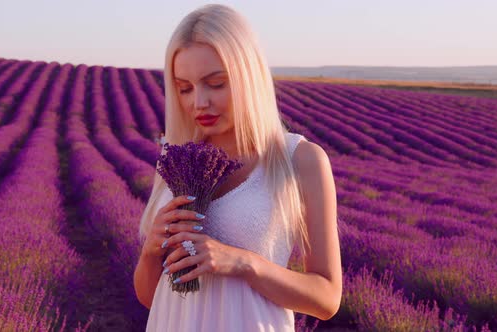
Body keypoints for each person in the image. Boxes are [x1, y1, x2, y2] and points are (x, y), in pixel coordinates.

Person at [133, 4, 342, 331]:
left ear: (249, 76)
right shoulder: (180, 160)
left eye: (215, 83)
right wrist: (150, 251)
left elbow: (327, 299)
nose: (198, 102)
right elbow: (152, 298)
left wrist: (244, 263)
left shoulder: (300, 160)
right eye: (184, 87)